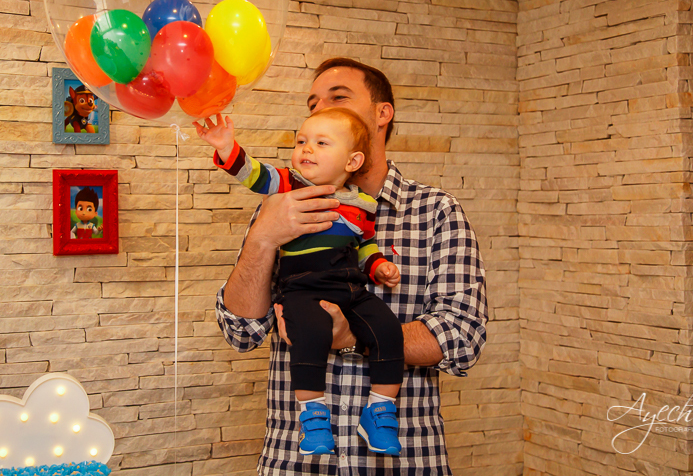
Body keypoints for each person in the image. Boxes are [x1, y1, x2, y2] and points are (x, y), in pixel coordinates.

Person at [215, 57, 488, 475]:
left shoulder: (436, 212)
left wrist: (352, 336)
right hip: (295, 463)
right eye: (312, 104)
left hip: (404, 465)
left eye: (338, 97)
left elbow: (462, 338)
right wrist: (263, 237)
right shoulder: (282, 206)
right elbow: (241, 331)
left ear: (382, 113)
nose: (320, 109)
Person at [195, 107, 405, 456]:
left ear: (352, 161)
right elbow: (256, 175)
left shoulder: (364, 204)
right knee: (310, 334)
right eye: (301, 141)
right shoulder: (291, 186)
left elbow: (365, 244)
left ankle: (380, 410)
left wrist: (379, 265)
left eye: (321, 143)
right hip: (303, 290)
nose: (306, 148)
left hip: (351, 288)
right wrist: (227, 148)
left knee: (388, 328)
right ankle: (313, 416)